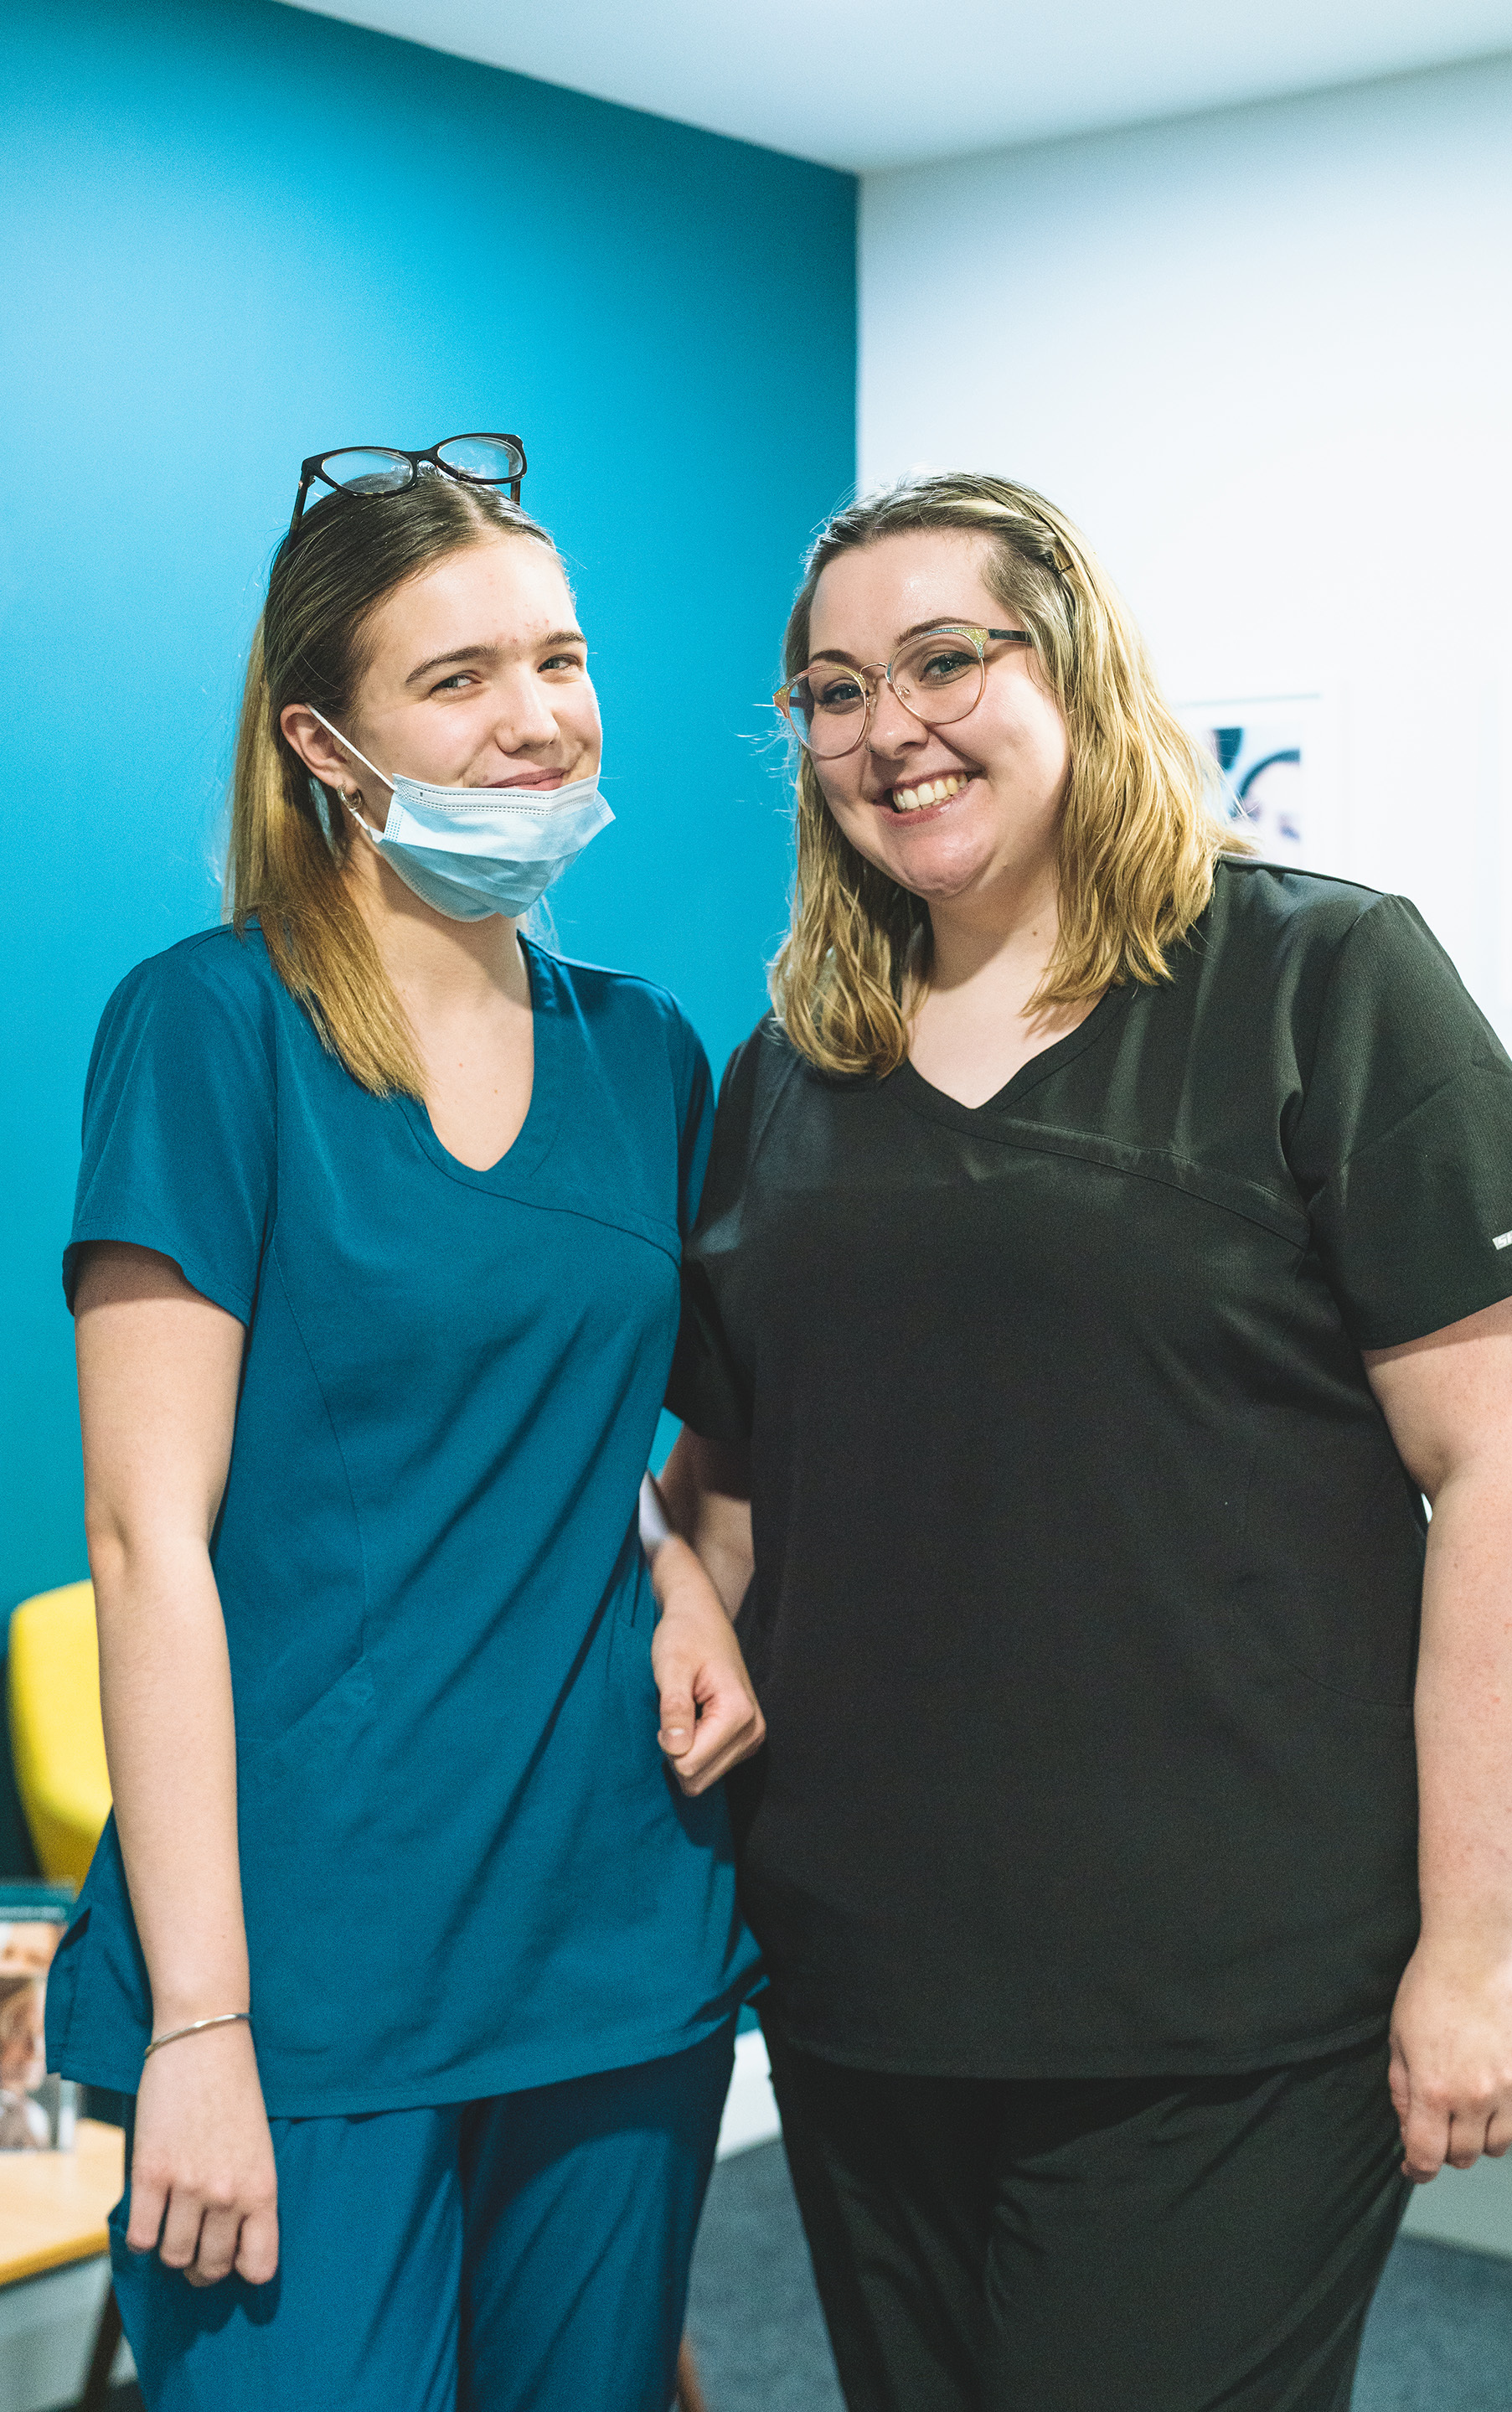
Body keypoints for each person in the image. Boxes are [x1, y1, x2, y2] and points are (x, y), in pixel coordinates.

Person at [656, 471, 1512, 2411]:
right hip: (867, 1982)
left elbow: (1508, 1472)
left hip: (1232, 2000)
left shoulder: (1318, 980)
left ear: (1072, 663)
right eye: (832, 693)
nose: (888, 728)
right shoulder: (785, 1071)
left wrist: (1469, 1946)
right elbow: (734, 1504)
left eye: (943, 660)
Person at [50, 436, 763, 2410]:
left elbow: (617, 1431)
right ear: (326, 745)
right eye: (457, 679)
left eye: (560, 656)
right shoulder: (210, 1030)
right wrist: (203, 2026)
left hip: (612, 1928)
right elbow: (145, 1541)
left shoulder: (646, 1053)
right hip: (303, 1966)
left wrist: (677, 1575)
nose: (536, 720)